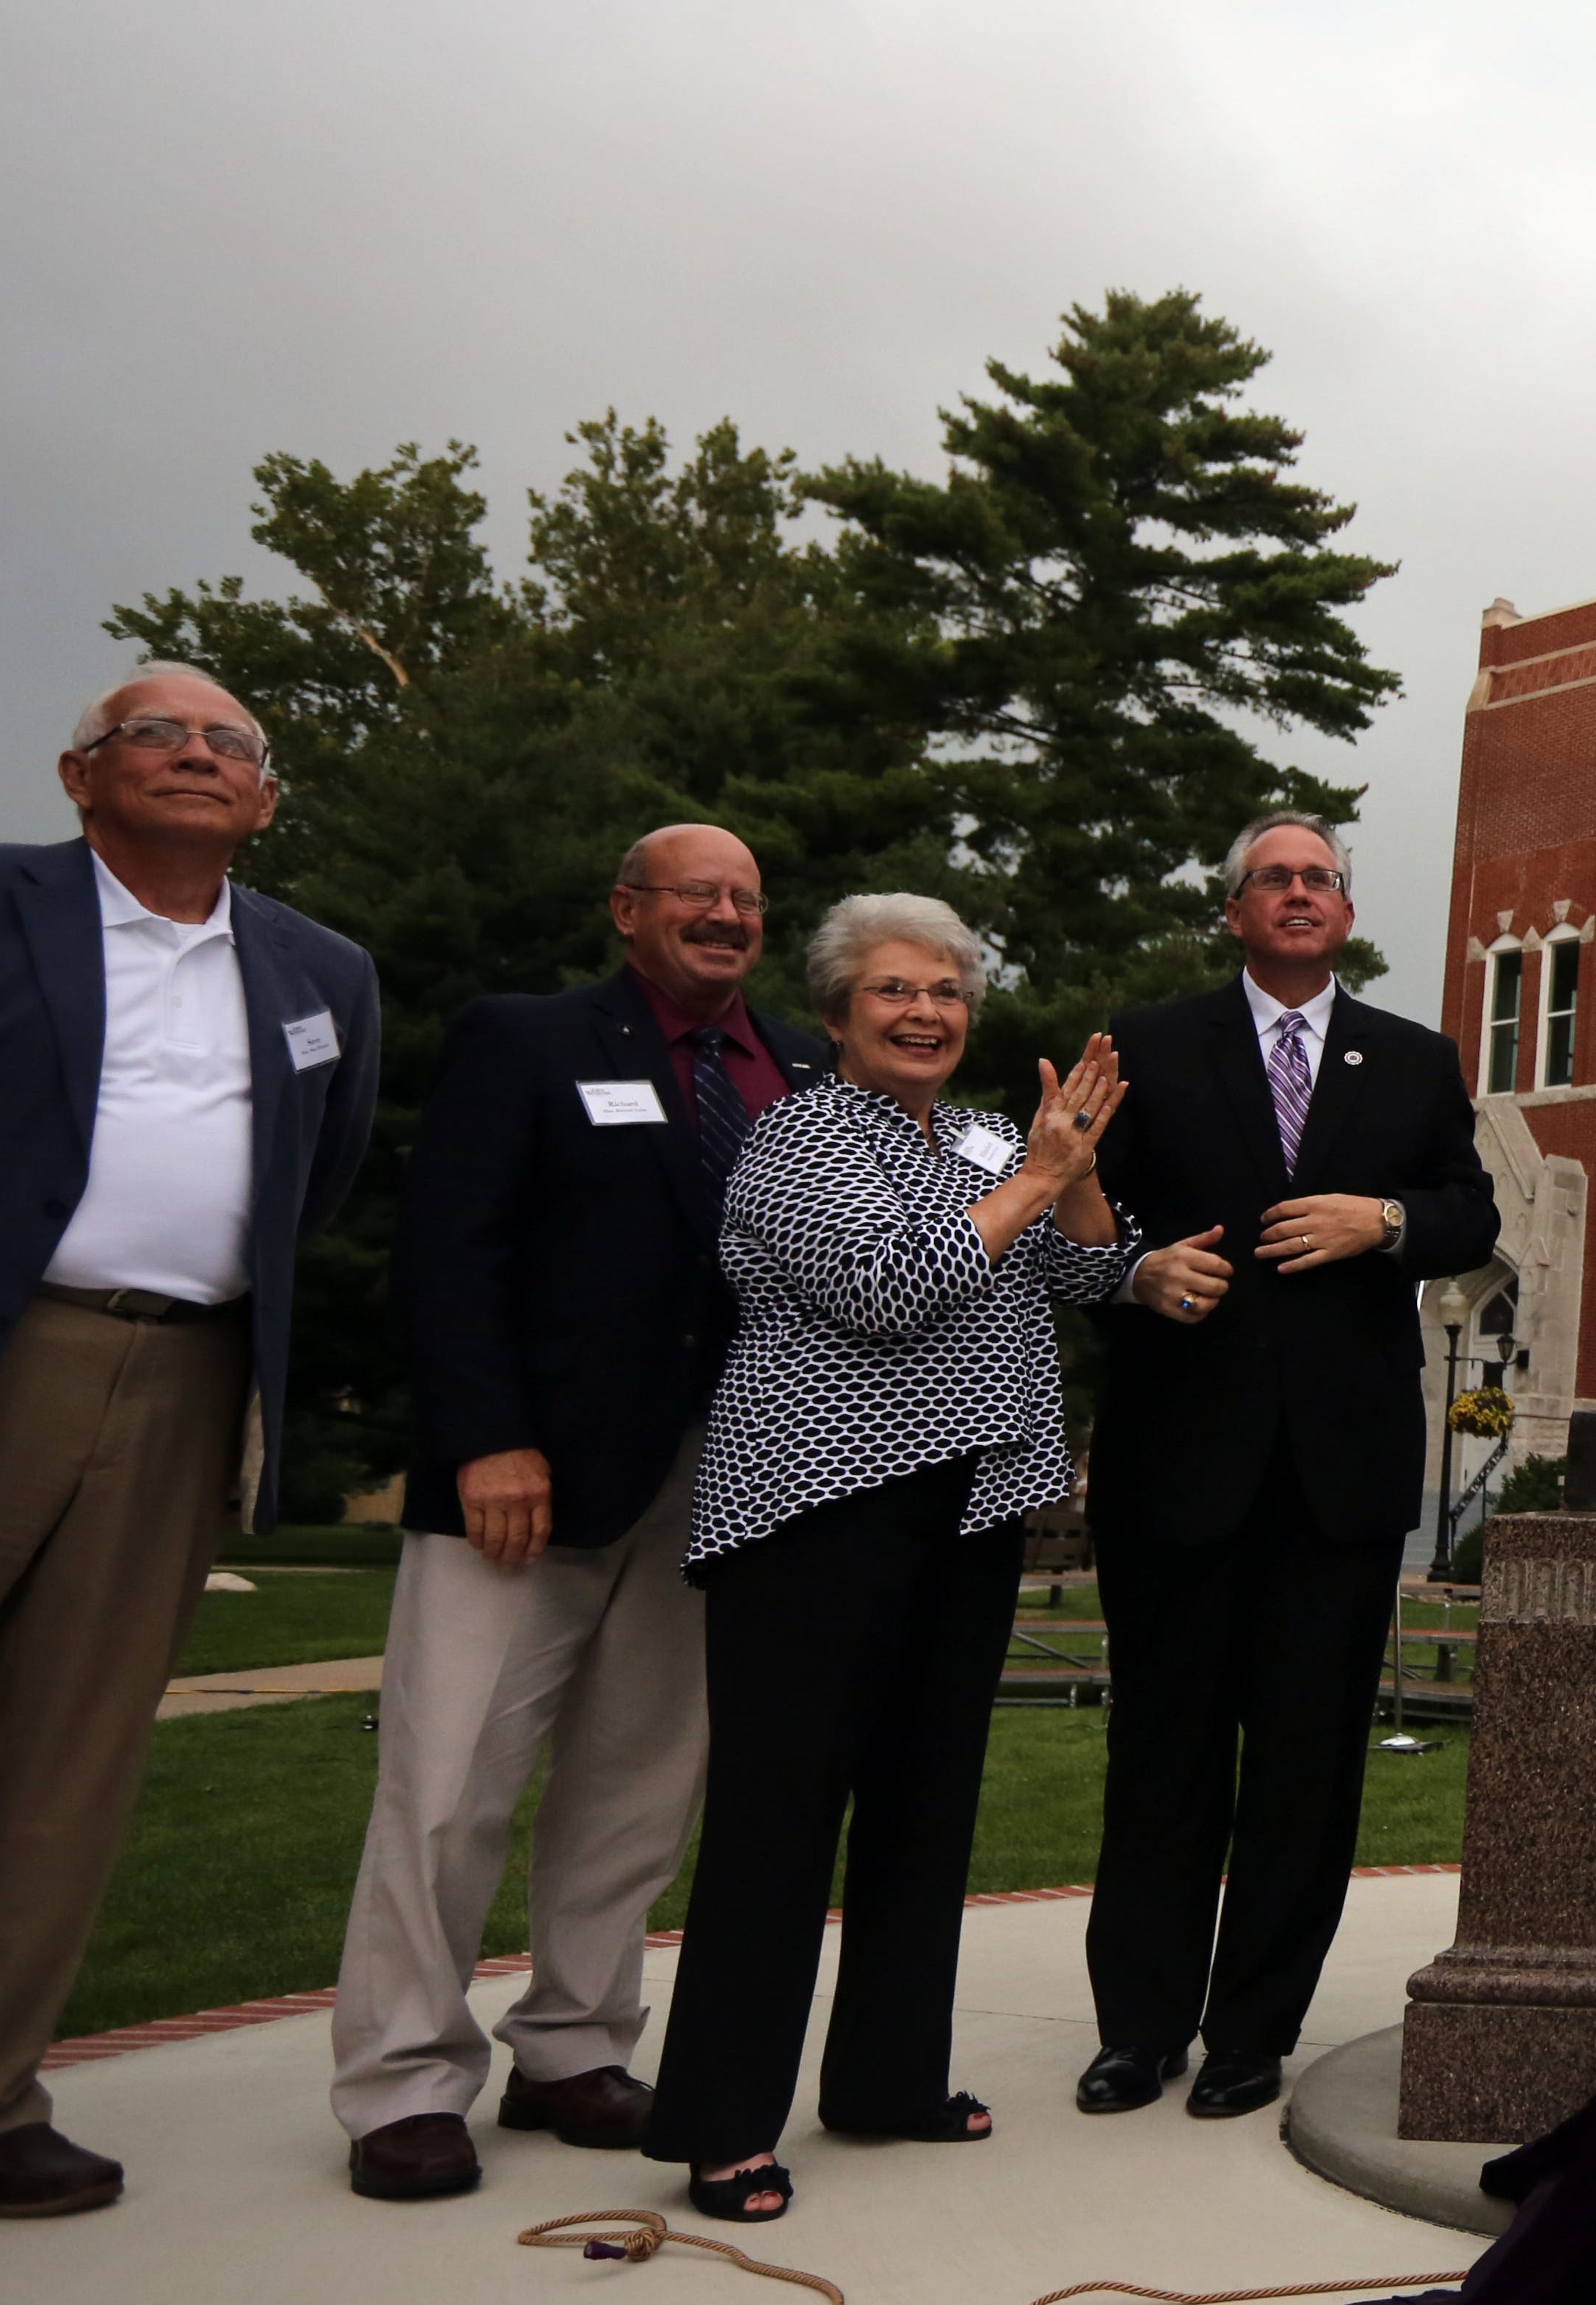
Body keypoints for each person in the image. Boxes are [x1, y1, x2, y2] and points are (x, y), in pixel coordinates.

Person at [326, 824, 831, 2199]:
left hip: (726, 1482)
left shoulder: (802, 1066)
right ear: (627, 911)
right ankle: (405, 2081)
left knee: (640, 1784)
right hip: (528, 1484)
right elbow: (451, 1247)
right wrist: (488, 1435)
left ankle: (574, 2044)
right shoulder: (529, 1041)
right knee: (447, 1785)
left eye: (746, 899)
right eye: (696, 895)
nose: (726, 916)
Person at [637, 894, 1136, 2222]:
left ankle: (887, 2080)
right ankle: (725, 2119)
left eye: (949, 992)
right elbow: (884, 1289)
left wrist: (1073, 1173)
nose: (927, 1014)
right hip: (815, 1516)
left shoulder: (983, 1133)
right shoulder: (795, 1137)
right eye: (894, 992)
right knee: (780, 1824)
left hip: (968, 1513)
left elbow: (1094, 1275)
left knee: (927, 1809)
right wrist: (1034, 1181)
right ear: (841, 1012)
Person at [0, 662, 379, 2220]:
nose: (199, 756)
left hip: (186, 1374)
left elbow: (314, 1179)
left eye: (233, 744)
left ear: (265, 800)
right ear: (81, 775)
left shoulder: (320, 971)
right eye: (160, 732)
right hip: (4, 1352)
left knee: (65, 1761)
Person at [1073, 812, 1495, 2120]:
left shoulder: (1415, 1061)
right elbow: (1092, 1224)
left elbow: (1470, 1214)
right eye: (1275, 878)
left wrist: (1387, 1221)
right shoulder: (1146, 1047)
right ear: (1235, 911)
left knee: (1308, 1765)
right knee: (1164, 1754)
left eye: (1321, 878)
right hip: (1176, 1461)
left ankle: (1256, 2030)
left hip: (1342, 1474)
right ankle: (1139, 2030)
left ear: (1347, 915)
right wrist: (1137, 1271)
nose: (1300, 894)